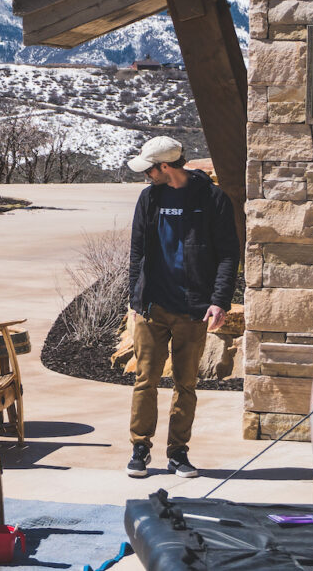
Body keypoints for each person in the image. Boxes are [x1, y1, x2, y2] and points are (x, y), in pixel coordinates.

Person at [124, 136, 237, 479]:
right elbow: (137, 252)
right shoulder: (149, 198)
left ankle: (178, 453)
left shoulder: (212, 199)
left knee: (186, 384)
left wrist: (219, 301)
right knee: (146, 380)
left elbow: (229, 254)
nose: (147, 175)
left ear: (166, 167)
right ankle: (140, 447)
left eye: (150, 169)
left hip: (193, 308)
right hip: (153, 306)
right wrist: (135, 298)